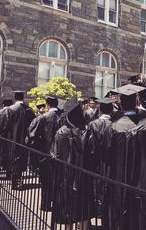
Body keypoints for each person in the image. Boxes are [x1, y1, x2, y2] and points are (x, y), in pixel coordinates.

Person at [102, 84, 146, 230]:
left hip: (120, 181)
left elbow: (107, 156)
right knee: (143, 217)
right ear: (137, 101)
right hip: (144, 181)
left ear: (120, 103)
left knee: (122, 217)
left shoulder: (113, 127)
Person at [51, 97, 93, 230]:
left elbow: (54, 156)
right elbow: (93, 154)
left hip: (65, 176)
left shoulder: (61, 132)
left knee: (67, 206)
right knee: (84, 205)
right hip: (84, 175)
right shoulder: (87, 131)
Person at [26, 95, 61, 211]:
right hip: (60, 155)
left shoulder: (43, 117)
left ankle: (45, 205)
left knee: (46, 181)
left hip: (45, 154)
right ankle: (57, 204)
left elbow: (32, 135)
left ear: (47, 105)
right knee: (57, 180)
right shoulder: (63, 117)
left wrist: (37, 152)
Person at [0, 91, 35, 189]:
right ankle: (18, 179)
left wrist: (2, 134)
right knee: (22, 159)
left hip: (11, 139)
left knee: (12, 158)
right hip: (24, 140)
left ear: (14, 98)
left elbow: (3, 125)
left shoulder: (10, 109)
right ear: (23, 98)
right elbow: (33, 126)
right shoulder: (29, 110)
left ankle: (14, 180)